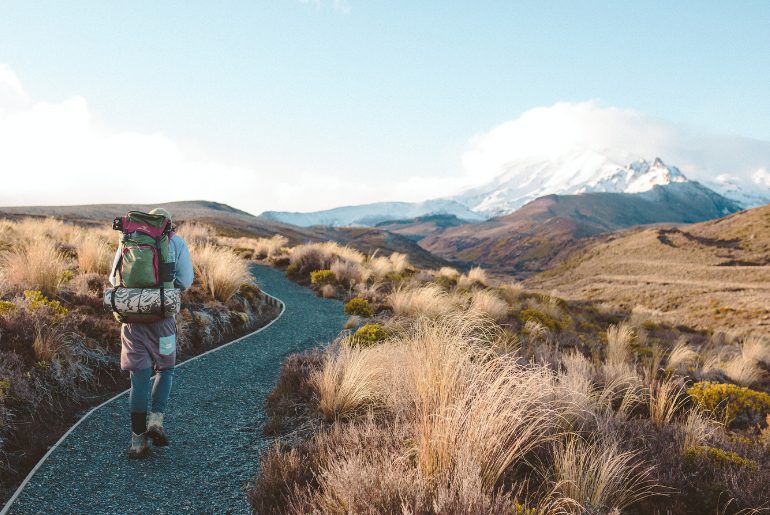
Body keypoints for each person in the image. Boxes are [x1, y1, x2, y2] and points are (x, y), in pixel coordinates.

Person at [109, 207, 194, 459]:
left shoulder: (129, 239)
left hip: (132, 321)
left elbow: (114, 279)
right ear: (169, 223)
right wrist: (164, 290)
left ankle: (137, 442)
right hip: (163, 322)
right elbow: (186, 280)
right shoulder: (175, 242)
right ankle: (156, 420)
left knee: (139, 376)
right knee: (165, 368)